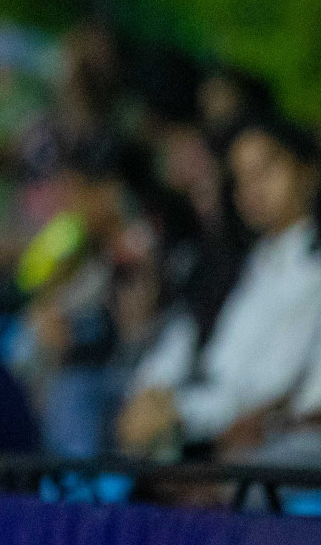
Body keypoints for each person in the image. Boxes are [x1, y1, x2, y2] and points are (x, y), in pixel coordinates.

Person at [118, 109, 321, 457]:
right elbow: (176, 346)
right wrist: (153, 396)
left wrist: (179, 413)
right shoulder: (229, 265)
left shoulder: (311, 269)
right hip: (192, 428)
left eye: (266, 170)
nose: (254, 189)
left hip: (259, 439)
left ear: (307, 171)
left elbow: (270, 388)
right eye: (242, 178)